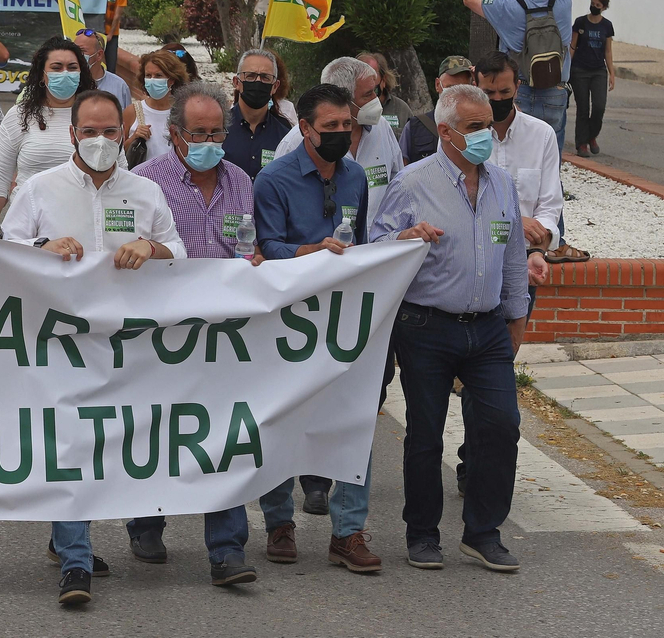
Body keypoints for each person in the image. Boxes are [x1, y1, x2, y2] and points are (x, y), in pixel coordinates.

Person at [2, 88, 184, 606]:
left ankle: (79, 537)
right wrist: (42, 247)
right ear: (72, 133)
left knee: (119, 445)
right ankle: (76, 562)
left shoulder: (145, 192)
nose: (101, 140)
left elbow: (181, 249)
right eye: (90, 131)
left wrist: (151, 246)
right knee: (71, 449)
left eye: (110, 131)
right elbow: (3, 250)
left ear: (123, 133)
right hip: (59, 345)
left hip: (129, 348)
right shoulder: (40, 189)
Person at [371, 83, 537, 573]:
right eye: (474, 127)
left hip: (487, 329)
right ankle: (422, 534)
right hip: (426, 325)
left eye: (489, 124)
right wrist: (404, 235)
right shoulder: (411, 181)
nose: (486, 134)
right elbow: (376, 243)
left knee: (501, 426)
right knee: (425, 435)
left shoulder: (502, 183)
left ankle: (483, 532)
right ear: (445, 132)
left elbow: (513, 257)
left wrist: (516, 321)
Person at [128, 81, 262, 585]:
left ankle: (227, 550)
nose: (210, 141)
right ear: (176, 134)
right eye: (198, 133)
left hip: (225, 335)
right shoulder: (144, 181)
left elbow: (248, 248)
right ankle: (146, 522)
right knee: (158, 430)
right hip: (160, 333)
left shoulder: (241, 182)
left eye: (216, 132)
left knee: (223, 439)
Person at [253, 83, 380, 573]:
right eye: (330, 128)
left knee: (353, 420)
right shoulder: (274, 180)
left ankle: (348, 533)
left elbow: (363, 243)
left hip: (341, 322)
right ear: (304, 129)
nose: (341, 135)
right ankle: (279, 523)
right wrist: (303, 252)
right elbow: (264, 248)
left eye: (347, 126)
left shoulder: (356, 178)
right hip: (288, 325)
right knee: (281, 421)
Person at [462, 0, 573, 148]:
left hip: (518, 91)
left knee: (516, 152)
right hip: (555, 91)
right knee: (550, 155)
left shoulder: (508, 6)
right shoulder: (564, 2)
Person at [273, 57, 405, 217]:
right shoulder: (296, 140)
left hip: (378, 239)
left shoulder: (381, 127)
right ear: (343, 98)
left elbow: (397, 184)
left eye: (375, 91)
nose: (375, 100)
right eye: (368, 94)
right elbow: (277, 196)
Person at [475, 52, 565, 260]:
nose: (497, 99)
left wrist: (537, 250)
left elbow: (549, 204)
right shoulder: (462, 136)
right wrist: (513, 224)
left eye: (504, 91)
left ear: (517, 88)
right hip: (476, 255)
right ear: (476, 88)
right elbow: (456, 204)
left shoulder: (542, 135)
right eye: (489, 92)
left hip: (526, 256)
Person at [0, 37, 98, 213]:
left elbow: (119, 172)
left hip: (83, 218)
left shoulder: (97, 115)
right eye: (57, 68)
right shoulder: (19, 115)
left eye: (72, 68)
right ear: (42, 74)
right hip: (27, 223)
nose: (65, 73)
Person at [222, 49, 294, 178]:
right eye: (250, 76)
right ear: (236, 82)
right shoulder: (218, 128)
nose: (258, 81)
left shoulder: (286, 134)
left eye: (265, 77)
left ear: (275, 86)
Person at [400, 56, 475, 164]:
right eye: (451, 87)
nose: (456, 93)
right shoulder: (415, 127)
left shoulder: (479, 127)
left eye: (463, 88)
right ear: (437, 85)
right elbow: (402, 170)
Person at [570, 0, 617, 157]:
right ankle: (581, 143)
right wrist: (567, 68)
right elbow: (573, 46)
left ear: (603, 8)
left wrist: (612, 73)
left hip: (598, 71)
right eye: (593, 3)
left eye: (598, 5)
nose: (594, 7)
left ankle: (592, 136)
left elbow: (608, 51)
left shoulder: (607, 26)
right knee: (582, 108)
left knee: (599, 107)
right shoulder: (580, 22)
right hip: (580, 70)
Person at [132, 49, 189, 163]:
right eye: (148, 75)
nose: (152, 80)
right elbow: (119, 153)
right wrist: (134, 138)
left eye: (158, 75)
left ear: (172, 80)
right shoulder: (133, 111)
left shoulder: (184, 111)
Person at [357, 50, 413, 143]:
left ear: (384, 80)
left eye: (371, 76)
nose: (365, 81)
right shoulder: (350, 109)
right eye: (360, 75)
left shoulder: (401, 109)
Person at [74, 28, 131, 110]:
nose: (77, 55)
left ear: (99, 55)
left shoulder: (119, 86)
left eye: (82, 51)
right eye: (75, 51)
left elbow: (128, 119)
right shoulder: (70, 83)